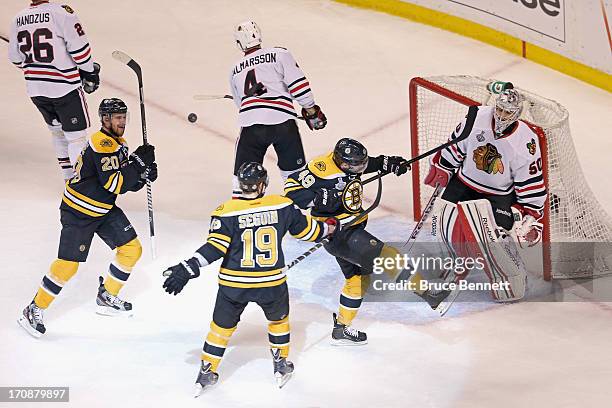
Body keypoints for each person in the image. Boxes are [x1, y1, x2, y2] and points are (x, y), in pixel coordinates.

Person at [162, 162, 335, 392]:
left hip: (234, 285)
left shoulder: (226, 211)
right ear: (263, 184)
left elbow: (214, 248)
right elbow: (310, 232)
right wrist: (332, 228)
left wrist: (188, 267)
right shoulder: (282, 205)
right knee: (278, 321)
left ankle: (207, 370)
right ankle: (281, 364)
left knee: (220, 329)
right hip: (271, 284)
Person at [18, 98, 157, 338]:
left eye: (124, 117)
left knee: (131, 249)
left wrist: (141, 176)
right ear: (105, 119)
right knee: (68, 266)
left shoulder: (116, 143)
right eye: (117, 118)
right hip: (79, 211)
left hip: (102, 208)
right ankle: (34, 309)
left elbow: (120, 180)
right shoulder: (102, 142)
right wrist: (137, 165)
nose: (122, 122)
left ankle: (107, 296)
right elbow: (114, 182)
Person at [422, 86, 547, 306]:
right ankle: (455, 268)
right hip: (463, 183)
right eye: (499, 109)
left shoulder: (525, 142)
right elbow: (455, 146)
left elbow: (531, 181)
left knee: (492, 241)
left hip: (497, 196)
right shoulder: (476, 118)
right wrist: (443, 166)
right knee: (446, 227)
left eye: (507, 112)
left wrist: (531, 214)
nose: (501, 116)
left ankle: (512, 276)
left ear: (517, 114)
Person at [284, 138, 408, 345]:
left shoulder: (353, 164)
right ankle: (432, 294)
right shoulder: (321, 169)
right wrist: (319, 198)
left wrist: (388, 163)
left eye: (362, 163)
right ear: (342, 163)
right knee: (388, 256)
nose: (361, 168)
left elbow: (370, 164)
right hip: (338, 232)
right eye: (357, 165)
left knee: (357, 280)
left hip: (352, 228)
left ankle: (341, 329)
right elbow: (291, 189)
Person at [229, 20, 327, 198]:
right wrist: (311, 111)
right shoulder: (279, 54)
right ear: (258, 34)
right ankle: (299, 220)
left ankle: (242, 216)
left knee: (243, 180)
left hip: (252, 128)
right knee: (296, 178)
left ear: (239, 43)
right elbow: (299, 86)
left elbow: (240, 105)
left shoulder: (235, 70)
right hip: (283, 124)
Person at [8, 0, 101, 180]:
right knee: (76, 138)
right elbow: (79, 49)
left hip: (36, 90)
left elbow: (15, 58)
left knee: (58, 133)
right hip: (64, 88)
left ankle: (68, 179)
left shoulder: (17, 19)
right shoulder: (62, 13)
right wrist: (89, 72)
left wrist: (37, 70)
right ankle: (81, 185)